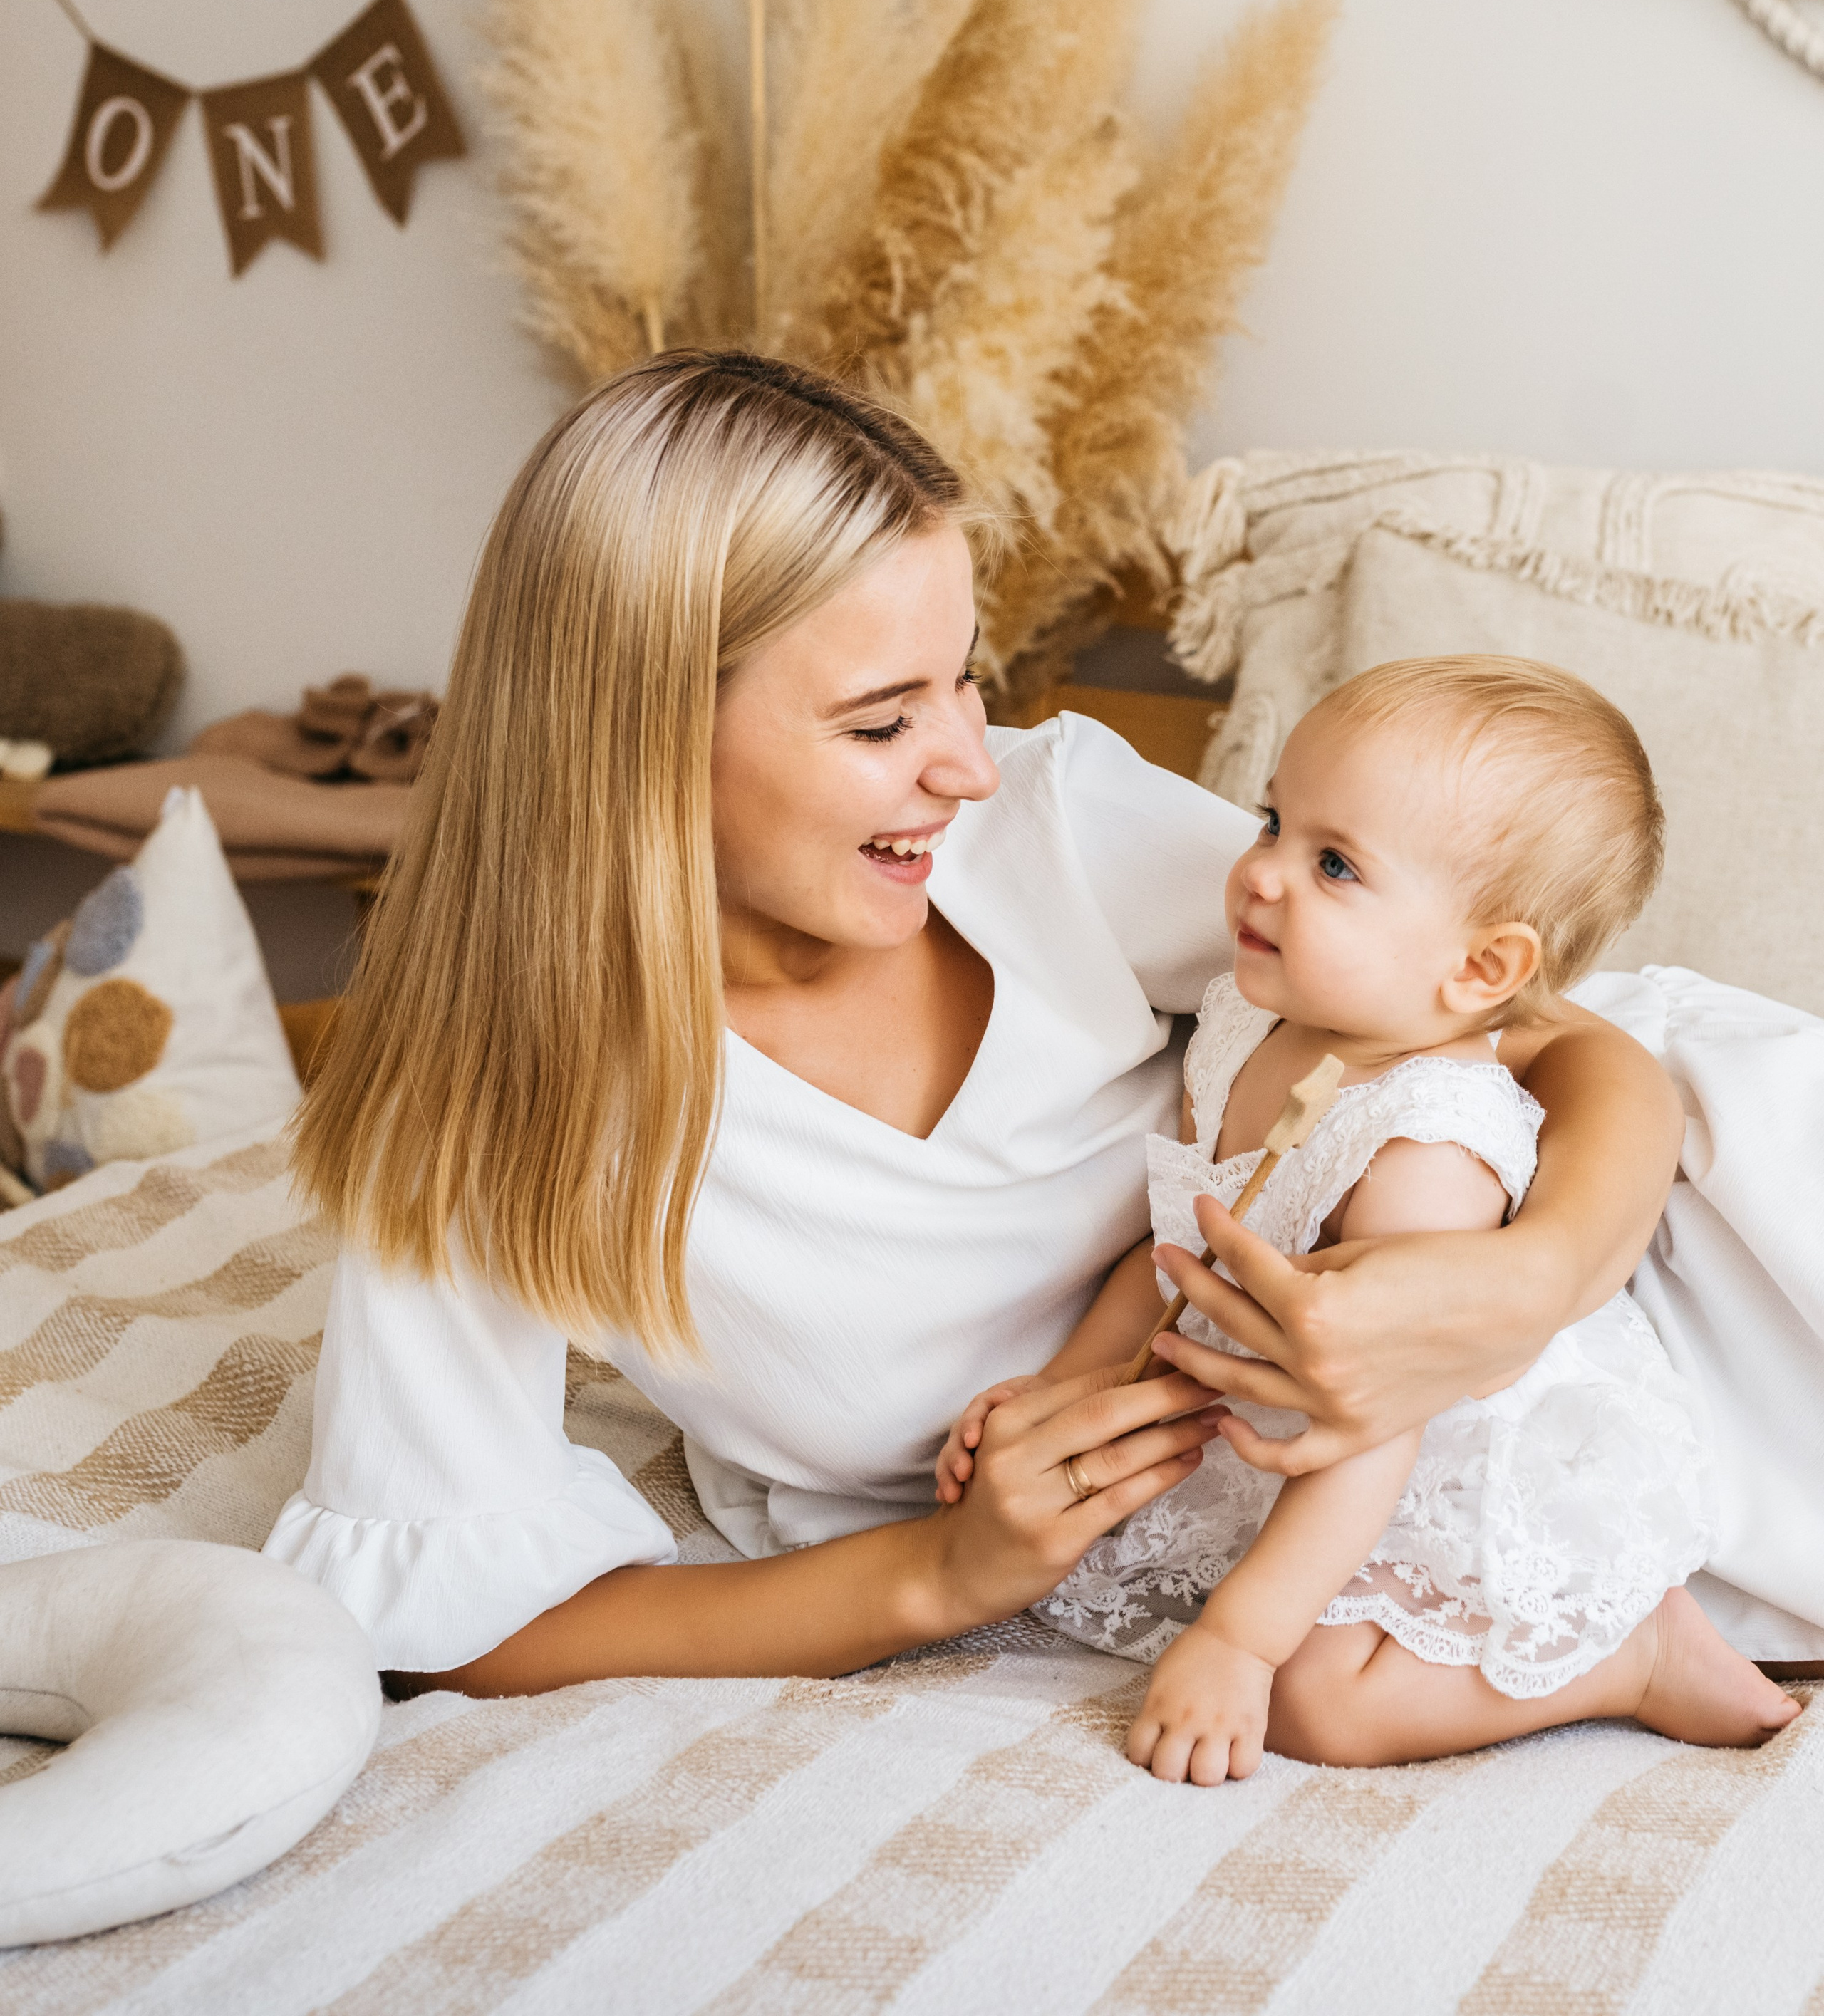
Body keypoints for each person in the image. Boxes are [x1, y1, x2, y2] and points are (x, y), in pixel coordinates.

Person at [263, 353, 1700, 1696]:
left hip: (1653, 1302)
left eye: (965, 678)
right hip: (1338, 1527)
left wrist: (1531, 1279)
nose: (962, 762)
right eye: (883, 720)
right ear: (636, 733)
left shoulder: (1042, 824)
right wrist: (931, 1577)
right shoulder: (492, 1113)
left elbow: (1559, 1035)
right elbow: (458, 1620)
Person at [938, 658, 1799, 1782]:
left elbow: (1381, 1421)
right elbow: (1182, 1244)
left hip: (1411, 1458)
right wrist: (1073, 1389)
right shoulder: (1252, 1010)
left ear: (1480, 966)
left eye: (1333, 864)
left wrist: (1240, 1640)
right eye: (1274, 822)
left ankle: (1631, 1653)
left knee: (1316, 1706)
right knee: (1085, 1530)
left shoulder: (1426, 1146)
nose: (1260, 875)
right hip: (1298, 1428)